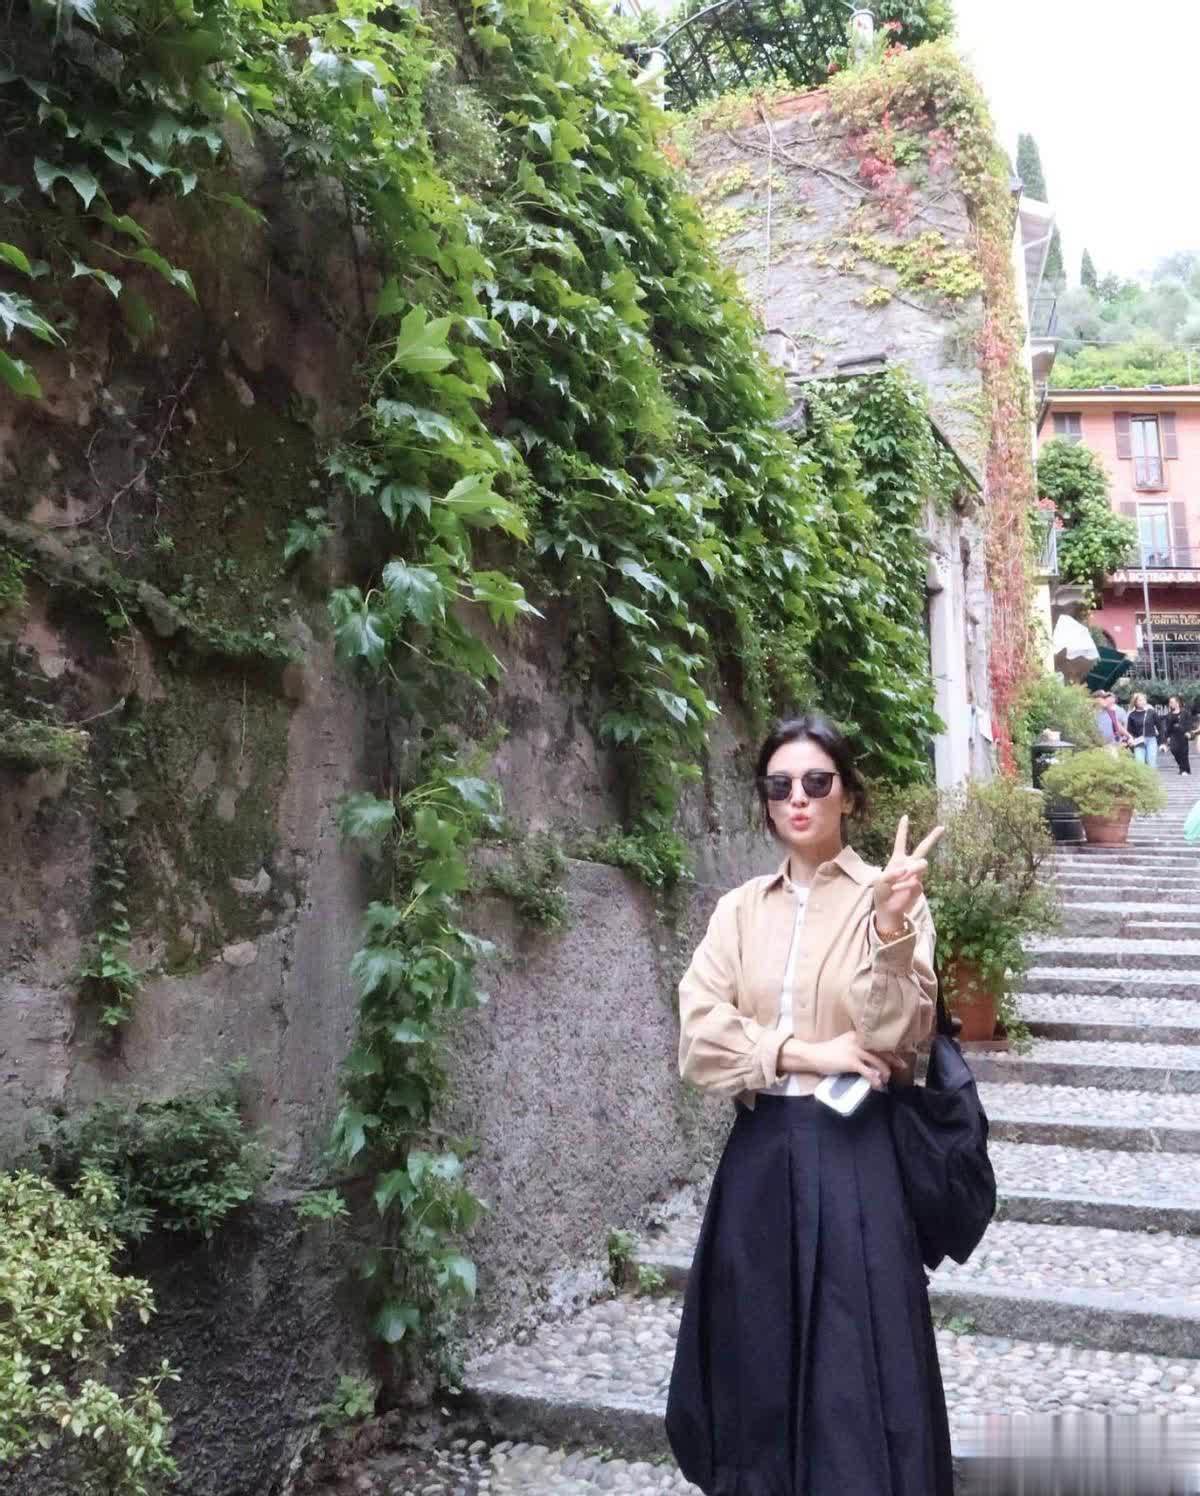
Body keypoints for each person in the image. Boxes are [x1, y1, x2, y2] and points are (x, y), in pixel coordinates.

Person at [666, 714, 953, 1496]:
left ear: (847, 796)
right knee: (755, 1367)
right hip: (760, 1155)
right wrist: (803, 1052)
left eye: (817, 782)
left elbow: (898, 1038)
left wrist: (889, 928)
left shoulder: (892, 898)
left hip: (856, 1156)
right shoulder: (739, 910)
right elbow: (699, 1036)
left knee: (856, 1376)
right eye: (779, 785)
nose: (797, 798)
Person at [1126, 692, 1161, 769]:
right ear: (1135, 702)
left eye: (1144, 700)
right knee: (1140, 764)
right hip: (1138, 741)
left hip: (1151, 740)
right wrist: (1131, 739)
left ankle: (1152, 776)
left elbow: (1160, 726)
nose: (1143, 702)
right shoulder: (1132, 715)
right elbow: (1129, 731)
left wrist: (1162, 741)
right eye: (1140, 700)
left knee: (1151, 763)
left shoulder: (1151, 712)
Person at [1165, 695, 1192, 775]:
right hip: (1174, 735)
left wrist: (1189, 732)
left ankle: (1184, 770)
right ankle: (1183, 767)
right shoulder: (1169, 715)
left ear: (1177, 703)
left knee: (1184, 753)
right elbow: (1168, 727)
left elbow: (1189, 723)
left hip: (1183, 735)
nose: (1170, 704)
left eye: (1172, 702)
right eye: (1170, 702)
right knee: (1174, 750)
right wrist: (1167, 737)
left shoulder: (1185, 712)